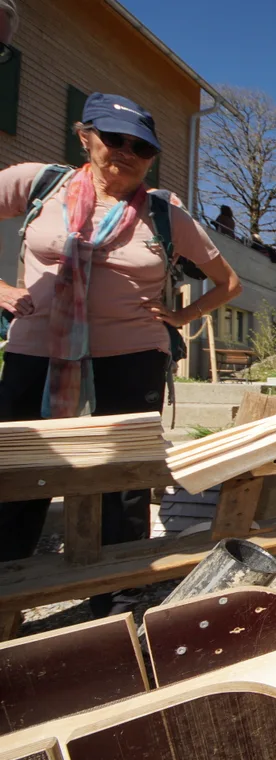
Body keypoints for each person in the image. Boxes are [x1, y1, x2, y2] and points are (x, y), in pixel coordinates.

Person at [0, 92, 241, 613]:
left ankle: (117, 594)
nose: (126, 152)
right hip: (36, 356)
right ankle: (8, 582)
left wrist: (180, 319)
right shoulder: (38, 183)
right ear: (85, 135)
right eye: (114, 139)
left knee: (124, 478)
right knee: (21, 469)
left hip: (131, 359)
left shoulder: (163, 214)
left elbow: (227, 282)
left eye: (142, 147)